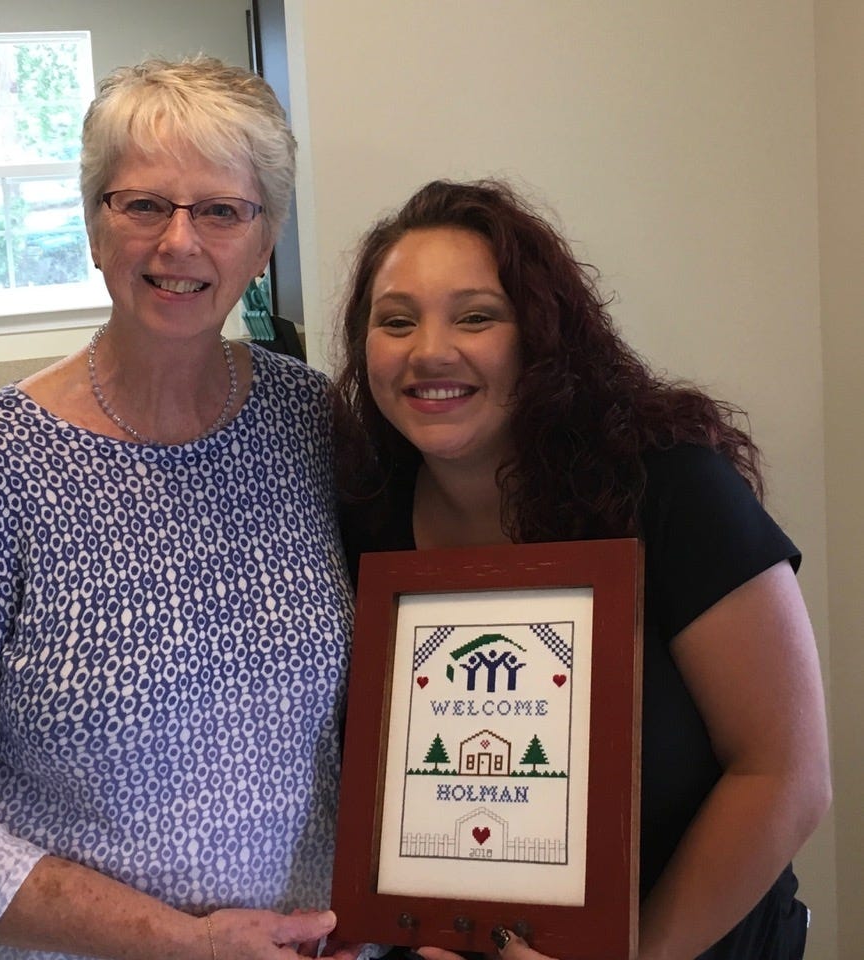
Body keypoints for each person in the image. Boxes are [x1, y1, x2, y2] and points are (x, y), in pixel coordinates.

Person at [0, 56, 355, 960]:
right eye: (143, 204)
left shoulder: (314, 423)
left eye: (221, 210)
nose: (178, 243)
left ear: (265, 239)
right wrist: (179, 943)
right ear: (92, 224)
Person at [332, 179, 831, 960]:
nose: (429, 350)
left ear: (539, 334)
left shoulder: (667, 487)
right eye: (395, 321)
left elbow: (785, 775)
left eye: (475, 316)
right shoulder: (365, 518)